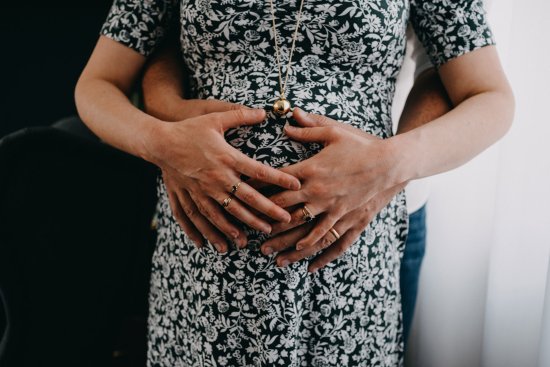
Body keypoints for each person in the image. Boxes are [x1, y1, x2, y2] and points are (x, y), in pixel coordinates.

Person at [75, 0, 514, 365]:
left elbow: (489, 96)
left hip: (349, 250)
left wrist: (387, 164)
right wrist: (164, 143)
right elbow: (98, 84)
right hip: (207, 258)